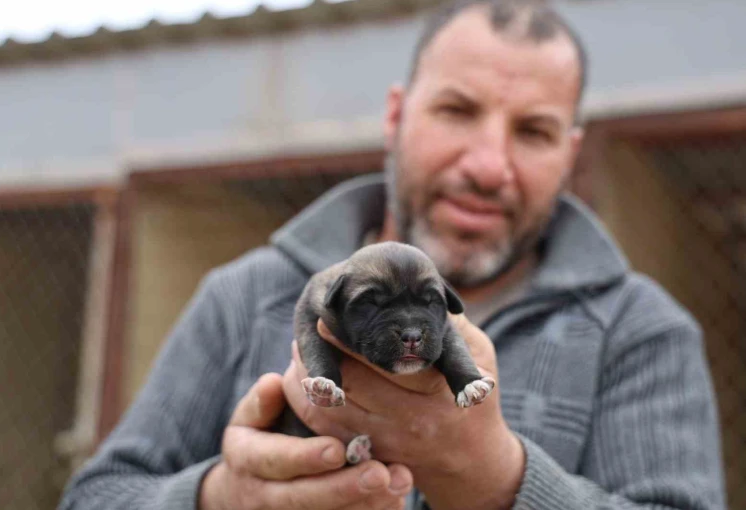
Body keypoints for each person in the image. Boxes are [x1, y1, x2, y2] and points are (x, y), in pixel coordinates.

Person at [59, 0, 726, 509]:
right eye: (457, 110)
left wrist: (496, 478)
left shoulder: (641, 332)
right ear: (396, 116)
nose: (490, 165)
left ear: (571, 154)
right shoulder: (246, 294)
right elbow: (96, 495)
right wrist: (218, 494)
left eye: (534, 131)